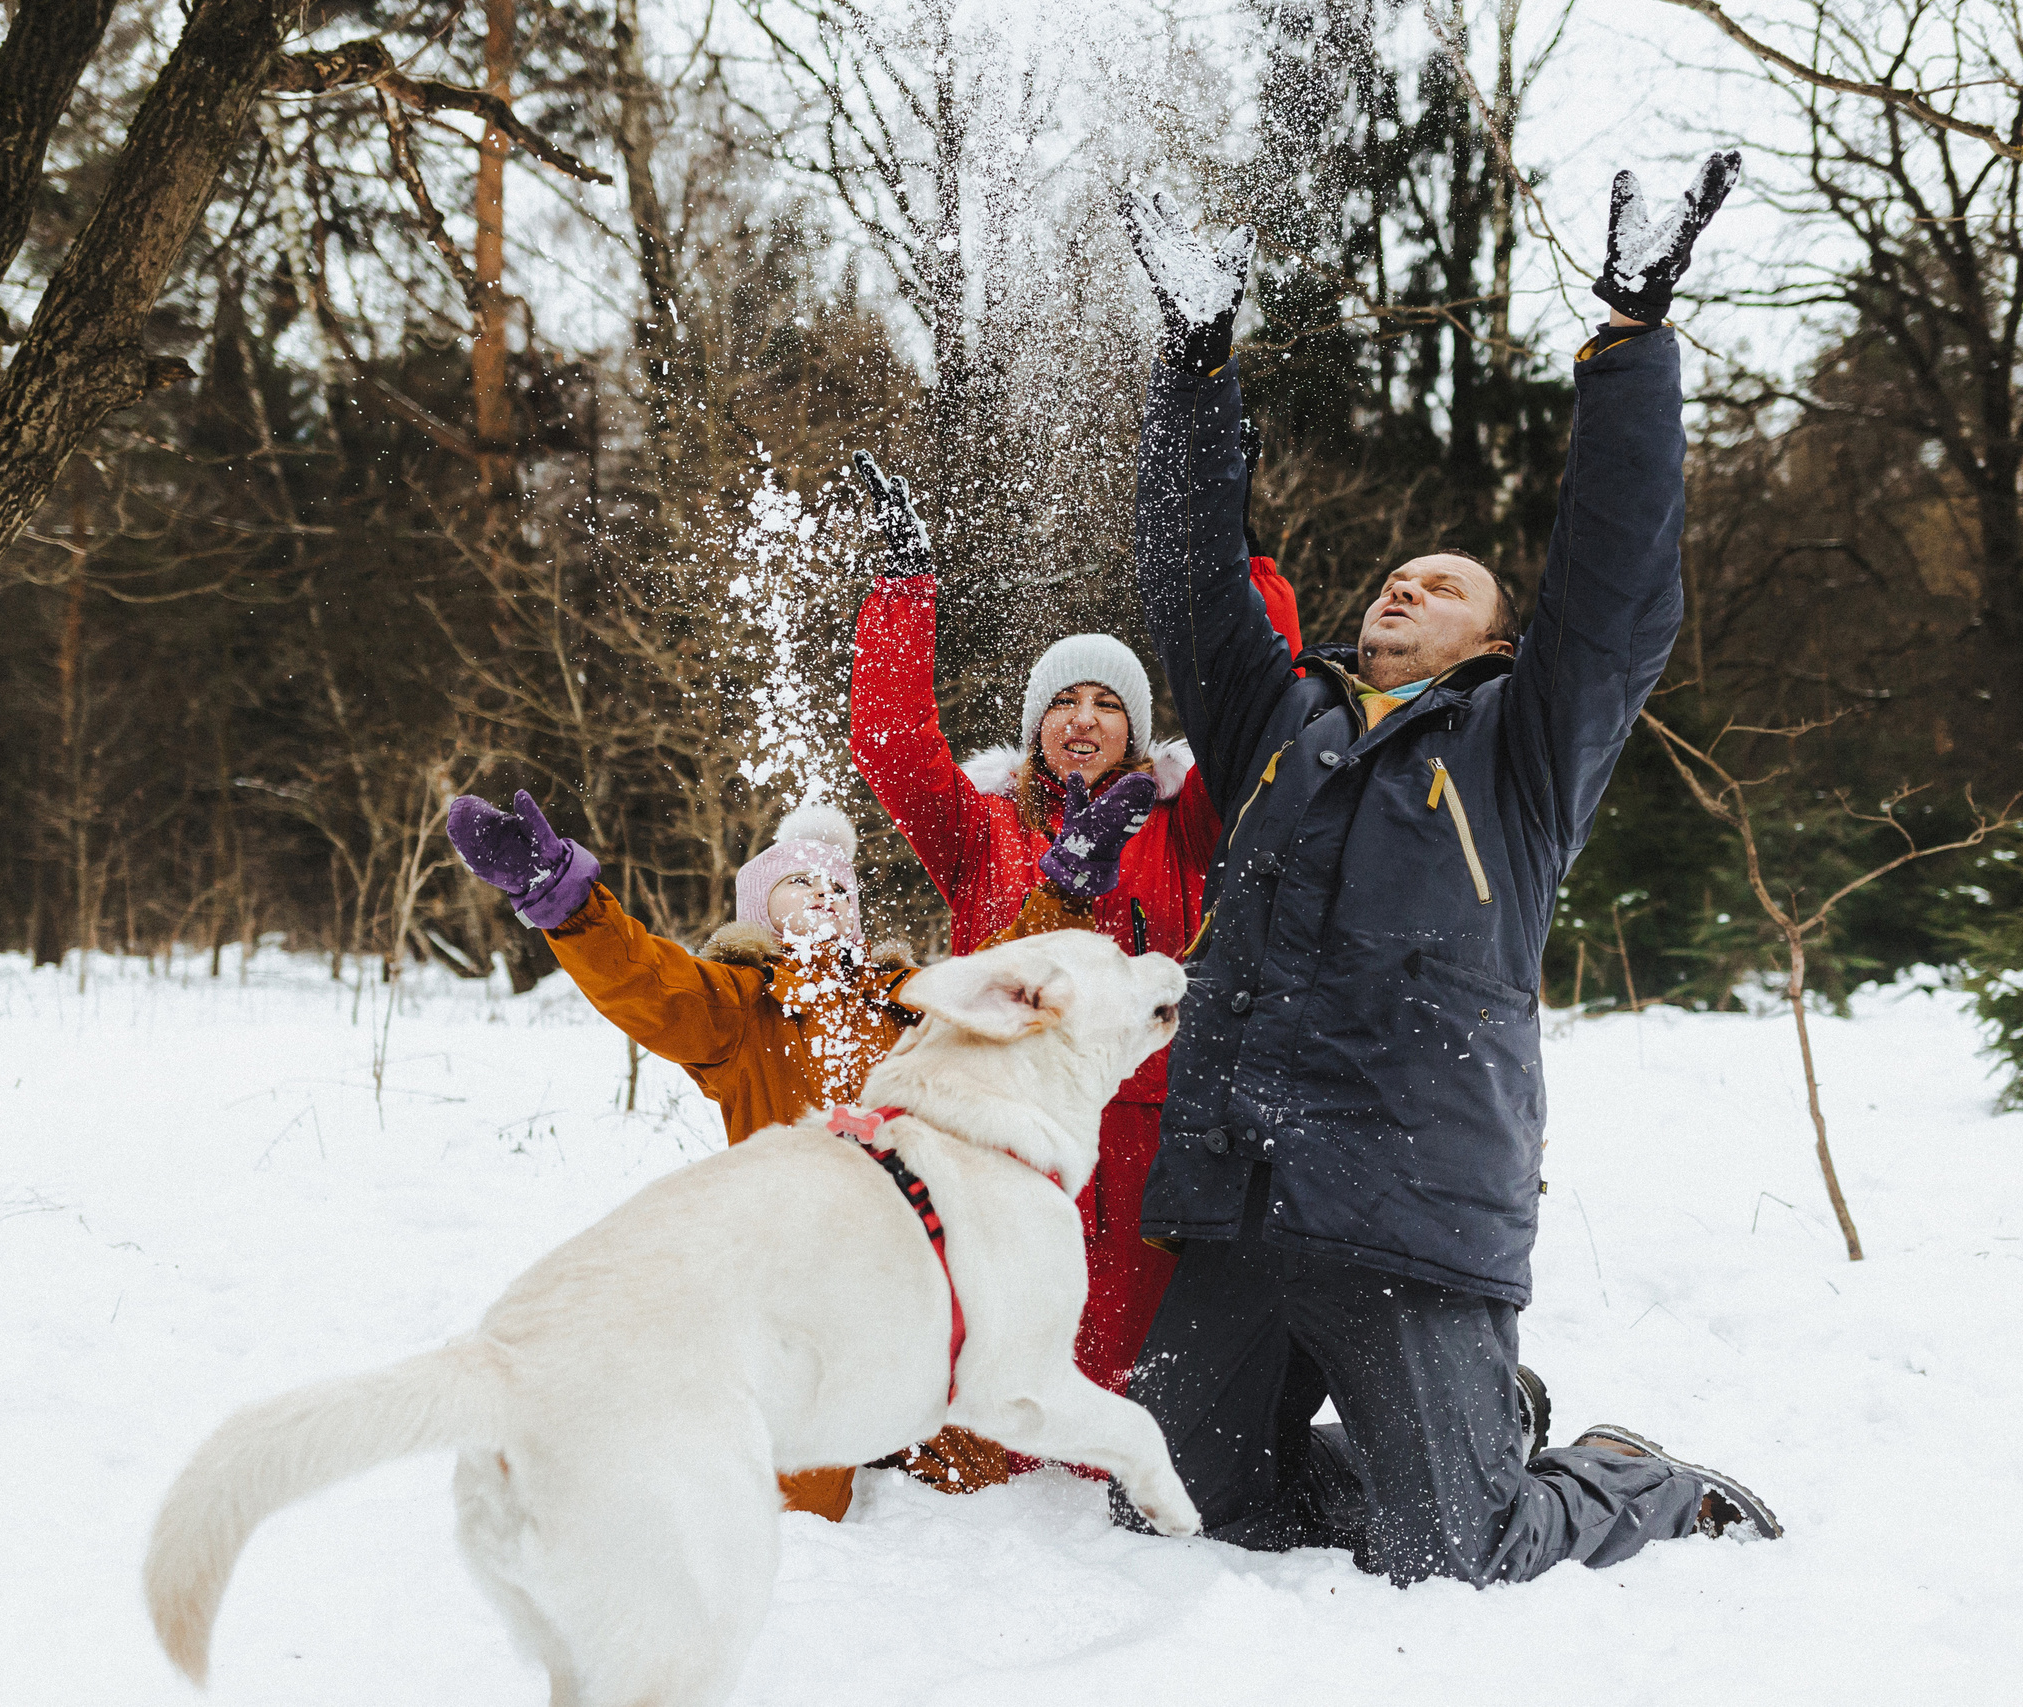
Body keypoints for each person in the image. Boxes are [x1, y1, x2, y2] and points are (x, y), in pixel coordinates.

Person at [1112, 155, 1781, 1587]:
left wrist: (1634, 338)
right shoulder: (1276, 723)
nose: (1405, 585)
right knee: (1175, 1506)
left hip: (1406, 1203)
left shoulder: (1524, 745)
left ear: (1490, 642)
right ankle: (1473, 1427)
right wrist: (1195, 366)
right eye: (1394, 576)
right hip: (1240, 1195)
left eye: (1447, 582)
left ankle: (1618, 1471)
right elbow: (1190, 576)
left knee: (1455, 1547)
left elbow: (1614, 586)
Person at [844, 450, 1300, 1399]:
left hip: (1148, 1123)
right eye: (1063, 702)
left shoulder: (1188, 819)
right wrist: (902, 589)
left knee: (1134, 1362)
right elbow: (890, 743)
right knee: (996, 1345)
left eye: (1107, 705)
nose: (1083, 721)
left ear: (1136, 730)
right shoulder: (981, 827)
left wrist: (1245, 567)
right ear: (1033, 726)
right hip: (1000, 1118)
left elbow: (1262, 716)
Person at [442, 789, 1007, 1520]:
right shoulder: (741, 1007)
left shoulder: (905, 1001)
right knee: (797, 1509)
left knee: (988, 1477)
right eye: (800, 881)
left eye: (839, 885)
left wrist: (1062, 886)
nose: (825, 894)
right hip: (800, 1288)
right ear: (762, 909)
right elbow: (648, 979)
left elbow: (1010, 1006)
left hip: (916, 1284)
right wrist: (569, 902)